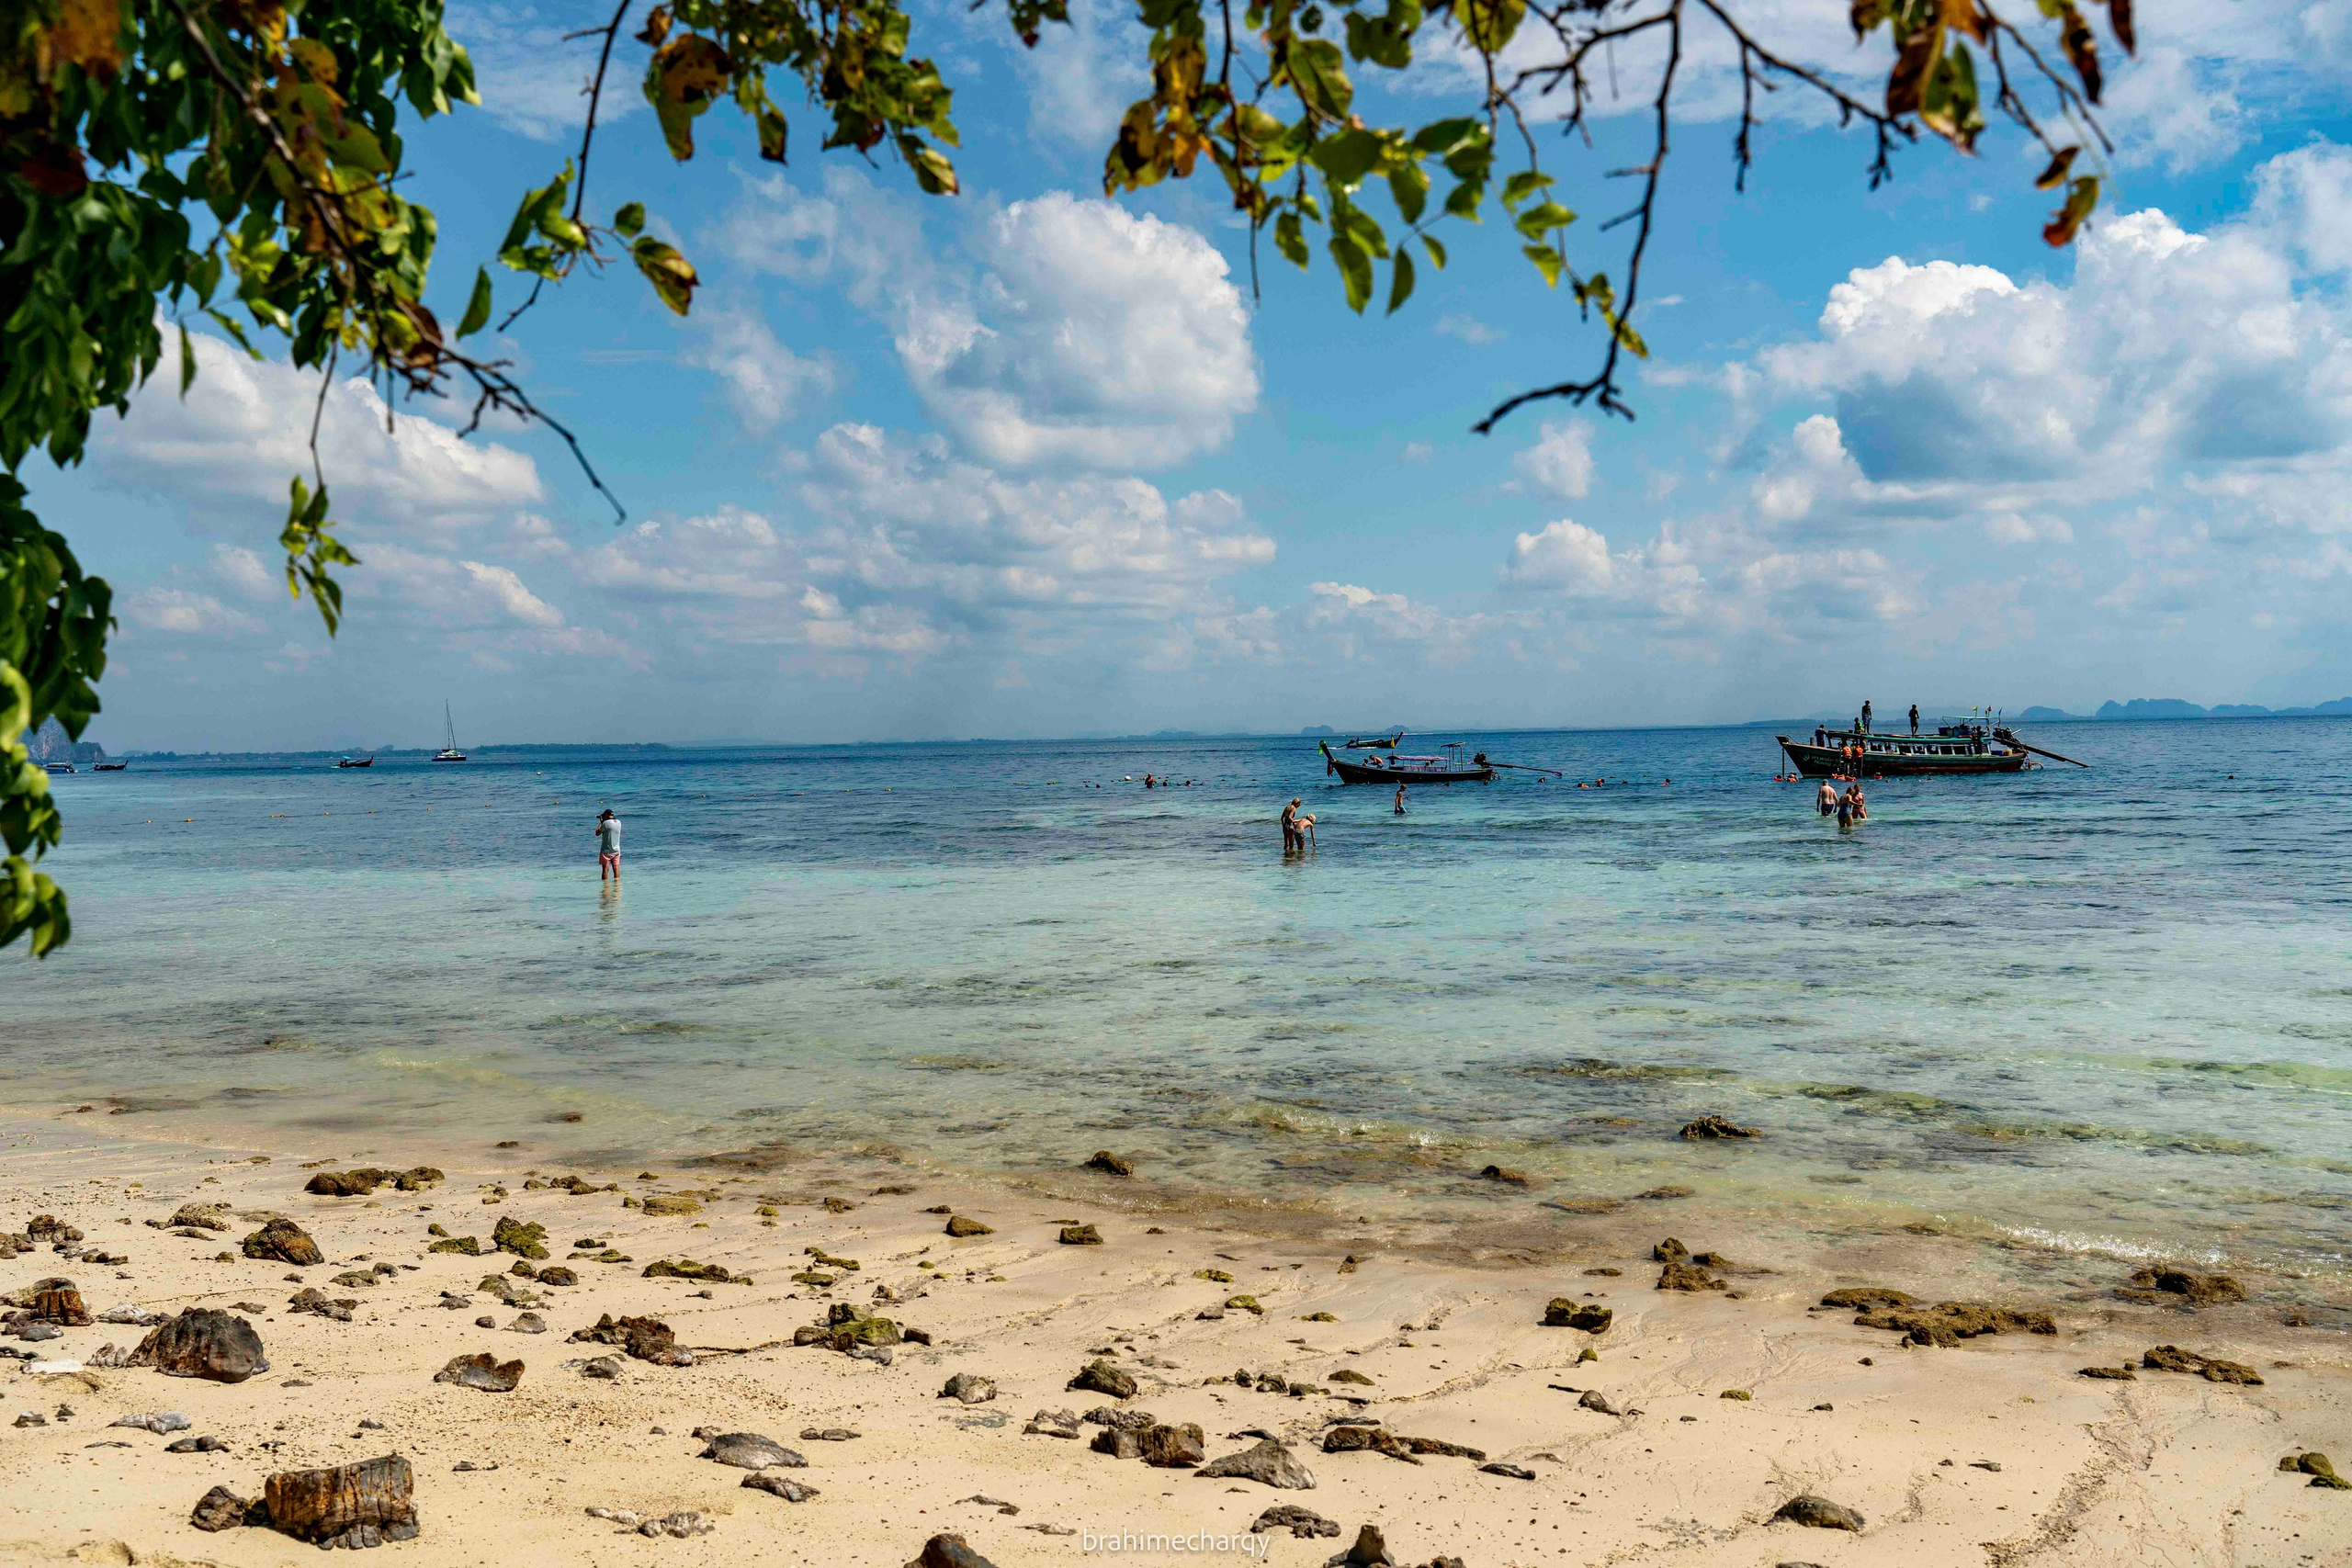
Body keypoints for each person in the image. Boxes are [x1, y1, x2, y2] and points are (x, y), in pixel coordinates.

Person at [594, 808, 622, 881]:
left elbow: (597, 833)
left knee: (605, 869)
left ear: (606, 815)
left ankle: (605, 887)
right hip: (616, 850)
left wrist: (600, 822)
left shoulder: (605, 823)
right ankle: (617, 885)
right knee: (616, 869)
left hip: (606, 850)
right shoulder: (619, 822)